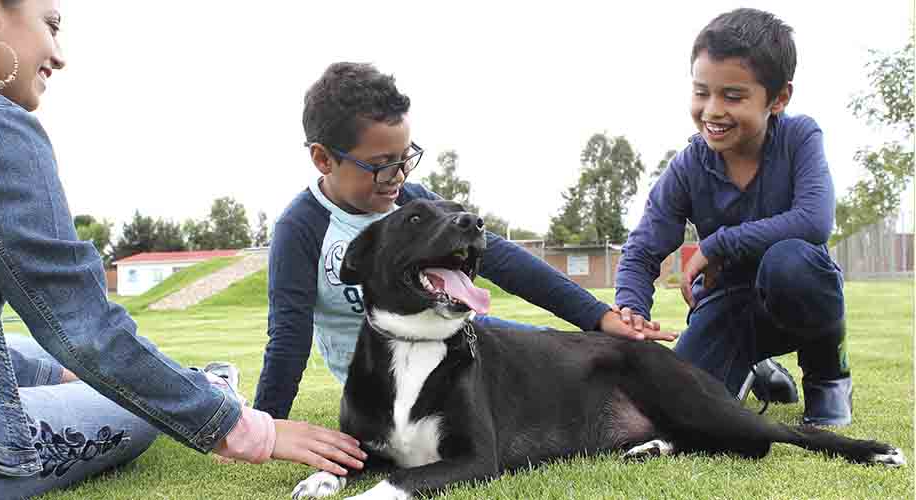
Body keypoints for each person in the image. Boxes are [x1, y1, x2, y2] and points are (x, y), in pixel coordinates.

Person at [0, 1, 364, 498]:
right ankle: (211, 388)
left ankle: (191, 383)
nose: (58, 54)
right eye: (51, 26)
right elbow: (84, 329)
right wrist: (252, 429)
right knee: (136, 412)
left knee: (16, 351)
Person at [253, 61, 676, 419]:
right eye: (382, 165)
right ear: (324, 158)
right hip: (386, 389)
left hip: (460, 347)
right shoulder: (301, 228)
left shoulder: (413, 203)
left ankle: (659, 398)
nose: (398, 177)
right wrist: (267, 426)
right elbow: (289, 335)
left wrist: (599, 317)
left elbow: (504, 260)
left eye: (405, 159)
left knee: (568, 354)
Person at [614, 8, 852, 425]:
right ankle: (756, 368)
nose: (712, 110)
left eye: (733, 96)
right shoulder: (689, 165)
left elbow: (814, 220)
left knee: (792, 262)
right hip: (727, 303)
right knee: (680, 412)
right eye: (701, 92)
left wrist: (717, 243)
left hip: (794, 289)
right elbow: (641, 251)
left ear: (778, 99)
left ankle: (828, 377)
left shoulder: (800, 137)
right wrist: (630, 308)